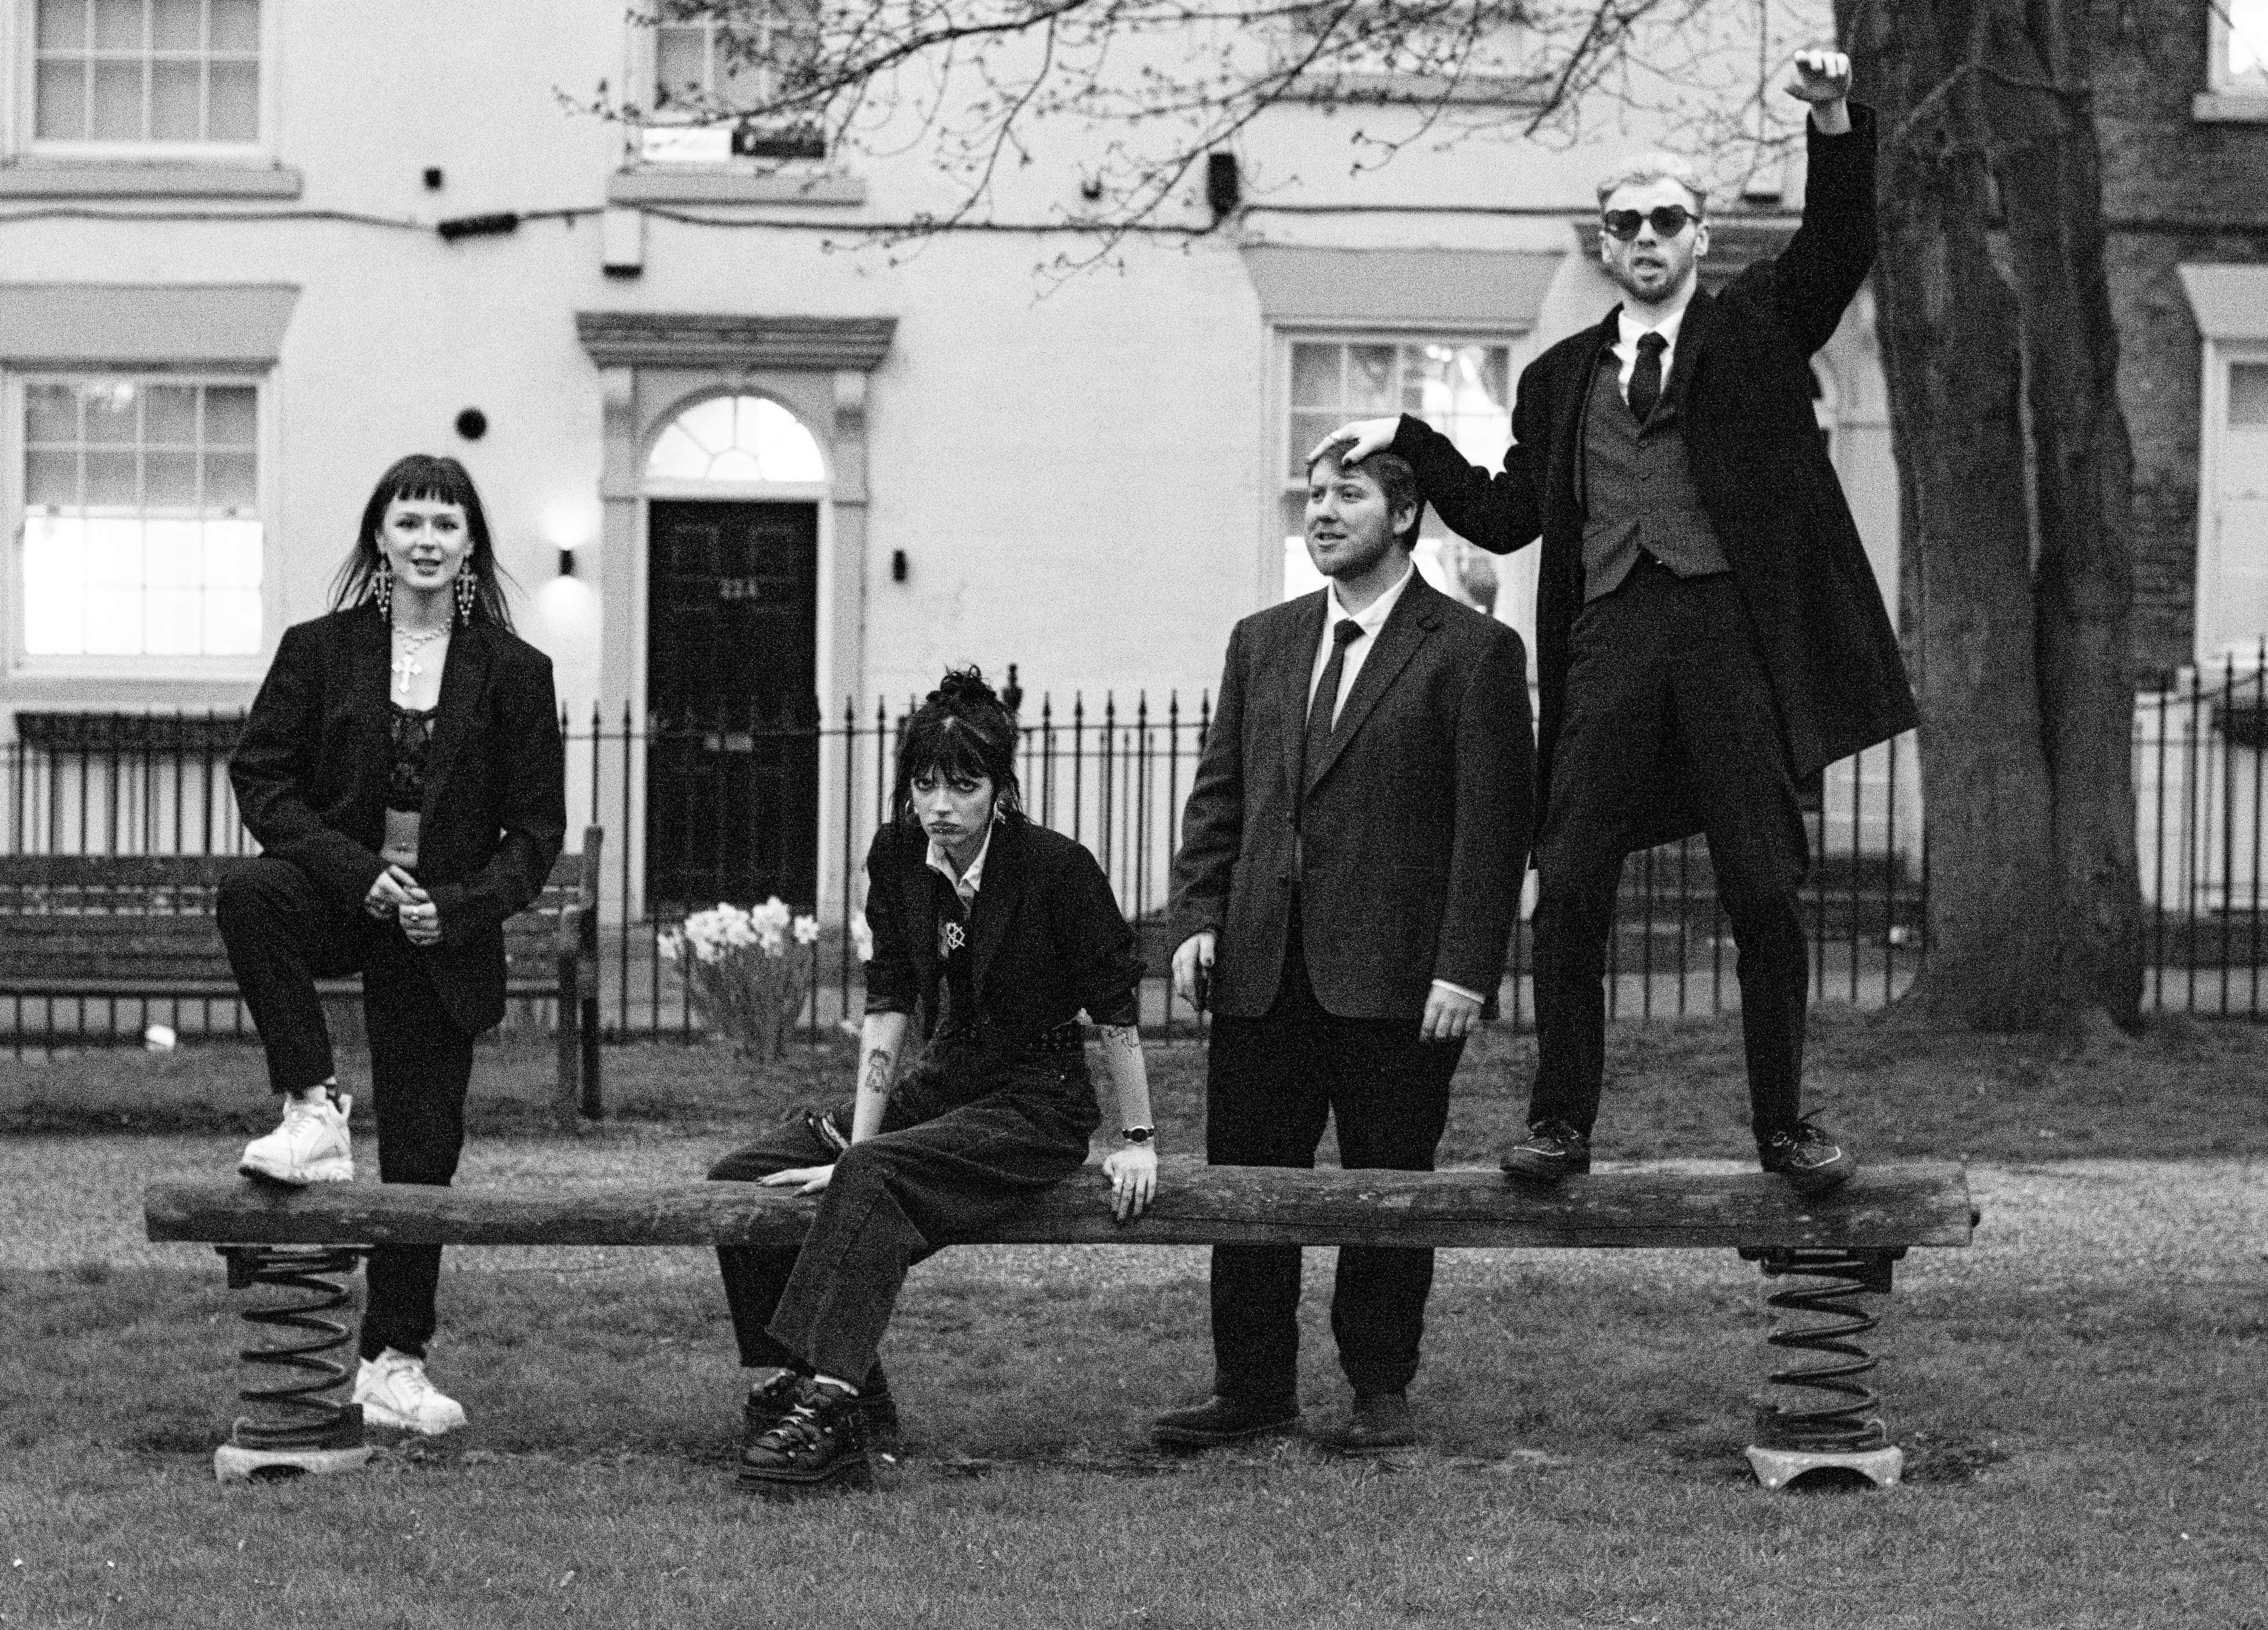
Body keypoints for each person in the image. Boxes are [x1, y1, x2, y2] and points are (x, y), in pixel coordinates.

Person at [1313, 51, 1915, 1199]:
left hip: (1726, 640)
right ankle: (1559, 1123)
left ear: (1697, 237)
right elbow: (1504, 513)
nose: (1645, 237)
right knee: (1573, 884)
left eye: (1666, 220)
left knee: (1762, 887)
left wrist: (1833, 119)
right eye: (1625, 222)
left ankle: (1784, 1125)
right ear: (1604, 242)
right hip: (1607, 646)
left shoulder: (1754, 330)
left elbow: (1838, 246)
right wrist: (1407, 436)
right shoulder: (1555, 380)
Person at [1153, 450, 1533, 1454]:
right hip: (1259, 971)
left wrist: (1465, 968)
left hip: (1399, 985)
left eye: (1347, 496)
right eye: (1316, 495)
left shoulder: (1473, 653)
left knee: (1389, 1192)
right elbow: (1219, 799)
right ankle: (1251, 1388)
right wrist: (1196, 920)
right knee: (1248, 1193)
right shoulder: (1263, 642)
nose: (1321, 512)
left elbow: (1491, 832)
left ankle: (1379, 1388)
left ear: (1403, 516)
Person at [708, 668, 1158, 1494]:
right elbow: (889, 1001)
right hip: (949, 1083)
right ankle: (832, 1381)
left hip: (1036, 1105)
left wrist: (1138, 1140)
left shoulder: (1055, 868)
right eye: (925, 785)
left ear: (1000, 787)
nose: (941, 806)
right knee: (743, 1175)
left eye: (964, 785)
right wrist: (857, 1144)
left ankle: (829, 1405)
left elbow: (1116, 1009)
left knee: (874, 1173)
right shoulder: (897, 855)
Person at [222, 454, 565, 1436]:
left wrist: (454, 908)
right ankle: (312, 1106)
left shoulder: (515, 672)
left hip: (438, 928)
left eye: (446, 524)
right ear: (379, 535)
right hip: (344, 899)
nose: (426, 540)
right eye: (409, 520)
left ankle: (393, 1363)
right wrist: (356, 874)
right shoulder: (319, 650)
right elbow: (263, 782)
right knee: (250, 893)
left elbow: (535, 834)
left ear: (470, 544)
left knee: (421, 1153)